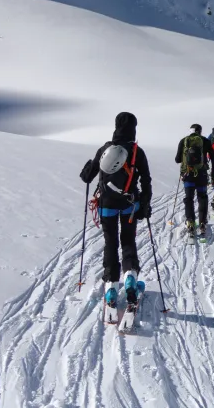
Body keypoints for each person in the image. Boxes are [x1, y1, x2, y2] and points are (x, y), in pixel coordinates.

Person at [79, 112, 152, 311]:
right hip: (129, 205)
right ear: (133, 129)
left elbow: (87, 177)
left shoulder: (105, 148)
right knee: (128, 241)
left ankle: (111, 286)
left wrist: (88, 167)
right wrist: (145, 204)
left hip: (107, 205)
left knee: (110, 242)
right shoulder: (137, 151)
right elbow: (146, 180)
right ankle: (130, 279)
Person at [175, 124, 212, 237]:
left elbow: (177, 159)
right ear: (200, 131)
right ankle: (202, 224)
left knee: (189, 198)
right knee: (202, 197)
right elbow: (213, 158)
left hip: (188, 175)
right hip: (201, 174)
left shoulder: (184, 141)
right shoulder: (205, 141)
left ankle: (190, 223)